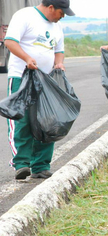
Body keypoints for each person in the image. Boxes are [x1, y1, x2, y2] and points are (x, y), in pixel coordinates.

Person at [4, 0, 75, 179]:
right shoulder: (25, 16)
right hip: (22, 76)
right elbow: (10, 42)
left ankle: (41, 166)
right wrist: (27, 58)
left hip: (46, 79)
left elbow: (59, 50)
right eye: (61, 12)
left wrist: (59, 63)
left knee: (48, 121)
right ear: (51, 7)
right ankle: (21, 164)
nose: (63, 16)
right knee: (23, 120)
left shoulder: (56, 27)